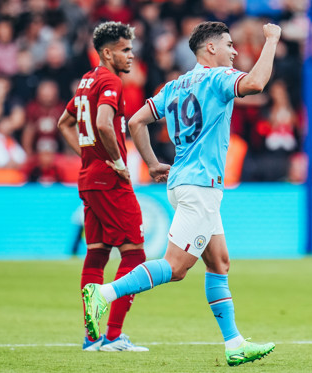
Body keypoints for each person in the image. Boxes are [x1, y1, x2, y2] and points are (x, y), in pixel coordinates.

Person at [82, 21, 280, 366]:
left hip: (183, 181)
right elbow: (257, 83)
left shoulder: (174, 85)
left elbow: (136, 122)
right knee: (175, 268)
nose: (234, 52)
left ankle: (233, 343)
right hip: (200, 187)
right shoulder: (218, 79)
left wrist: (153, 162)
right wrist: (272, 40)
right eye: (229, 45)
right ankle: (104, 293)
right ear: (211, 49)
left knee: (219, 262)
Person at [56, 21, 148, 352]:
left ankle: (92, 337)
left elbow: (64, 123)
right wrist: (117, 163)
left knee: (96, 256)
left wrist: (88, 154)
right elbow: (103, 124)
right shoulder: (109, 81)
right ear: (107, 53)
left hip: (89, 177)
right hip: (109, 179)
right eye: (125, 50)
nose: (131, 55)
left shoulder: (86, 81)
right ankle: (112, 335)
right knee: (135, 255)